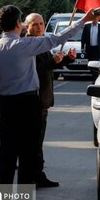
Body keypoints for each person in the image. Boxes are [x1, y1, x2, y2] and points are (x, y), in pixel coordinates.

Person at [0, 5, 96, 200]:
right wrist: (84, 20)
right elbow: (59, 36)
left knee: (6, 161)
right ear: (18, 24)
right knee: (26, 160)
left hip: (6, 107)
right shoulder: (25, 45)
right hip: (28, 105)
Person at [24, 13, 76, 188]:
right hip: (34, 101)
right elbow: (36, 69)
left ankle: (36, 174)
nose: (39, 27)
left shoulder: (41, 42)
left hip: (43, 100)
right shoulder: (29, 45)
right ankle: (36, 175)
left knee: (37, 141)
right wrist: (52, 61)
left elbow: (50, 64)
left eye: (41, 23)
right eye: (35, 24)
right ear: (26, 26)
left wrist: (68, 58)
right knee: (35, 142)